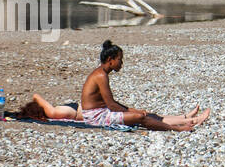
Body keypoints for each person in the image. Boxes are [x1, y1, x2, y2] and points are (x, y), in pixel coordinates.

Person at [80, 40, 211, 130]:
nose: (121, 63)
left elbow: (111, 104)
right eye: (119, 59)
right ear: (110, 60)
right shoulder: (100, 76)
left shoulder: (101, 73)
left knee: (147, 114)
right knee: (140, 117)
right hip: (96, 117)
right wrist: (133, 111)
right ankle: (178, 128)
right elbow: (111, 105)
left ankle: (187, 118)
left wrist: (131, 110)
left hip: (102, 112)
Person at [16, 93, 205, 128]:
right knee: (145, 117)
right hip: (100, 114)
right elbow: (36, 95)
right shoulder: (53, 113)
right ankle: (187, 121)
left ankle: (184, 117)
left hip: (97, 110)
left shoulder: (54, 112)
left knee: (147, 115)